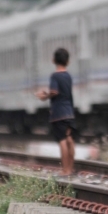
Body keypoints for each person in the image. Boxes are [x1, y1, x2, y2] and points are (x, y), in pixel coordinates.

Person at [35, 48, 76, 176]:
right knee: (69, 139)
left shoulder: (55, 76)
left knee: (62, 140)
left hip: (58, 113)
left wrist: (44, 96)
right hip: (69, 111)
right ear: (68, 61)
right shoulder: (68, 76)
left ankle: (65, 170)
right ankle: (70, 168)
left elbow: (54, 91)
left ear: (53, 60)